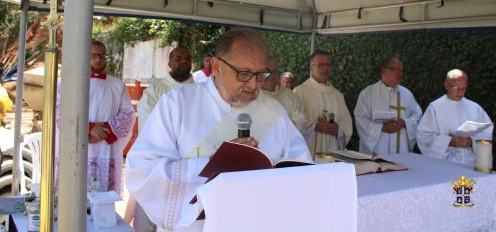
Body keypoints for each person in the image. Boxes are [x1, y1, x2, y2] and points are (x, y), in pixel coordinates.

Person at [126, 28, 311, 232]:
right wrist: (216, 164)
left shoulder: (275, 114)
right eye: (244, 73)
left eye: (260, 74)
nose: (253, 84)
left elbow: (303, 171)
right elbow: (141, 172)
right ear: (216, 66)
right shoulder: (177, 104)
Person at [56, 40, 134, 194]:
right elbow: (59, 112)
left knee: (102, 204)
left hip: (107, 146)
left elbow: (128, 115)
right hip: (76, 145)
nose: (99, 59)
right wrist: (89, 128)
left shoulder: (117, 85)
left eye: (102, 55)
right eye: (94, 56)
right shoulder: (66, 83)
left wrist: (104, 131)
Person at [416, 69, 492, 167]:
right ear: (446, 85)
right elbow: (424, 136)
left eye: (463, 89)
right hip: (444, 164)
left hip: (471, 164)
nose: (460, 92)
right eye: (456, 88)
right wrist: (450, 141)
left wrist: (472, 141)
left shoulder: (474, 107)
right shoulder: (435, 107)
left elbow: (486, 131)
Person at [354, 57, 422, 155]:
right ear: (383, 71)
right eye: (395, 69)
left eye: (401, 71)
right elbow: (360, 118)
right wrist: (381, 128)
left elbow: (418, 116)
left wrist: (405, 123)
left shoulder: (407, 94)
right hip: (376, 154)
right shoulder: (368, 93)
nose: (400, 74)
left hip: (401, 153)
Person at [294, 51, 352, 156]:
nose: (325, 69)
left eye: (328, 65)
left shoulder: (337, 95)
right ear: (311, 67)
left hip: (332, 153)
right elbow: (294, 124)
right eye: (321, 65)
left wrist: (338, 129)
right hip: (308, 154)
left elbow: (347, 124)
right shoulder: (299, 92)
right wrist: (314, 127)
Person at [137, 46, 194, 131]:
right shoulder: (154, 90)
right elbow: (147, 123)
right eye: (178, 58)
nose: (184, 61)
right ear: (169, 63)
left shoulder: (200, 91)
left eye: (187, 59)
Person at [261, 58, 307, 132]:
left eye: (274, 72)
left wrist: (283, 127)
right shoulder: (252, 95)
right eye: (267, 72)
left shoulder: (291, 96)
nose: (271, 76)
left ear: (278, 74)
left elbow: (301, 121)